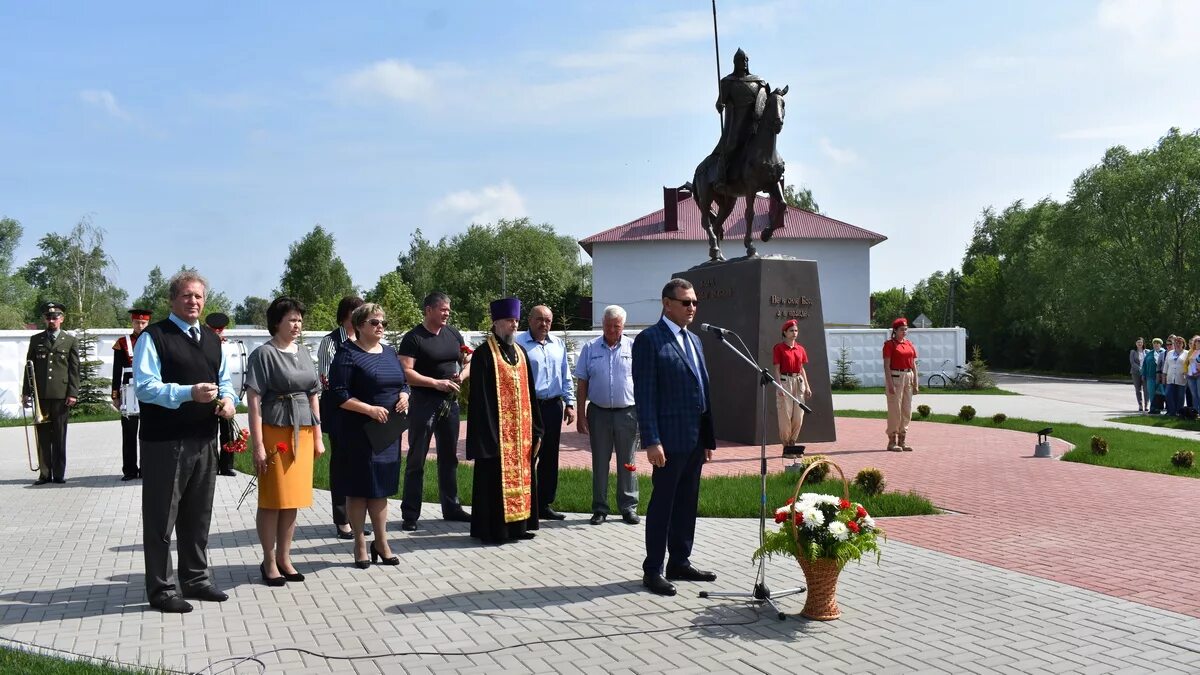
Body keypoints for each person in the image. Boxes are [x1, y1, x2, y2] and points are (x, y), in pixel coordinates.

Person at [133, 270, 236, 613]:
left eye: (199, 296)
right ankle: (161, 590)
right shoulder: (155, 337)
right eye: (187, 296)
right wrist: (188, 393)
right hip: (166, 441)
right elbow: (145, 388)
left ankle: (195, 579)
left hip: (204, 439)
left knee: (197, 515)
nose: (194, 301)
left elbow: (225, 380)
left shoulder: (210, 338)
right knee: (162, 519)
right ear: (173, 300)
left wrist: (229, 400)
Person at [633, 279, 717, 597]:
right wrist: (652, 440)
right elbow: (645, 395)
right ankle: (653, 568)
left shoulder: (694, 341)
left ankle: (679, 562)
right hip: (668, 441)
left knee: (687, 502)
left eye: (695, 302)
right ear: (667, 303)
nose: (692, 307)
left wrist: (708, 439)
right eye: (686, 302)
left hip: (695, 439)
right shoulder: (649, 340)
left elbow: (704, 390)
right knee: (663, 505)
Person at [245, 297, 323, 586]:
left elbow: (313, 393)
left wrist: (318, 436)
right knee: (272, 499)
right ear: (276, 322)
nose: (297, 325)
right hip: (275, 430)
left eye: (299, 320)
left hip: (302, 432)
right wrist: (258, 444)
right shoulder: (263, 355)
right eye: (291, 319)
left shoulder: (303, 352)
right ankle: (268, 559)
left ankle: (285, 557)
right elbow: (254, 401)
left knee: (292, 500)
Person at [327, 303, 410, 568]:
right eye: (374, 322)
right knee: (358, 491)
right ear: (360, 325)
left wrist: (405, 395)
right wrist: (369, 409)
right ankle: (360, 544)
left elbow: (403, 381)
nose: (380, 327)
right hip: (358, 432)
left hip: (386, 432)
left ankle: (382, 542)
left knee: (381, 489)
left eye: (383, 322)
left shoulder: (389, 352)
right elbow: (338, 393)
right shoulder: (346, 353)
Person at [465, 297, 543, 545]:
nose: (514, 325)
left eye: (517, 320)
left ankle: (519, 527)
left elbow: (531, 393)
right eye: (510, 320)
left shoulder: (519, 353)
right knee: (493, 482)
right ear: (496, 322)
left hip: (520, 433)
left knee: (523, 478)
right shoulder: (483, 354)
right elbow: (480, 400)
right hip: (496, 434)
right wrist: (489, 435)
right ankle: (494, 530)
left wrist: (537, 427)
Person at [398, 291, 471, 530]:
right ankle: (410, 514)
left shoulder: (452, 334)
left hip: (450, 405)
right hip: (423, 404)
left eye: (449, 310)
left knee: (449, 457)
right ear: (428, 310)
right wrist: (435, 383)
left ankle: (451, 507)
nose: (447, 313)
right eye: (442, 309)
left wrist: (462, 375)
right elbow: (407, 372)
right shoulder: (413, 338)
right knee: (417, 458)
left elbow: (467, 359)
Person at [574, 305, 639, 526]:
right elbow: (582, 383)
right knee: (600, 462)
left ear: (623, 326)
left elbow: (642, 381)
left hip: (627, 413)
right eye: (608, 325)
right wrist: (581, 415)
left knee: (628, 462)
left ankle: (629, 507)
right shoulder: (590, 348)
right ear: (602, 324)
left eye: (616, 326)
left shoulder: (633, 347)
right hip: (598, 413)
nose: (612, 330)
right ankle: (600, 508)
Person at [516, 305, 576, 520]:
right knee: (528, 456)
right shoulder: (518, 344)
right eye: (539, 319)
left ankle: (544, 503)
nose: (544, 324)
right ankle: (525, 504)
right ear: (530, 320)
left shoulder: (557, 344)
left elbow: (565, 374)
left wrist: (570, 403)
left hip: (553, 406)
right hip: (529, 407)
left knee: (550, 456)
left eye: (548, 320)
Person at [317, 295, 369, 540]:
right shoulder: (330, 342)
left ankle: (357, 518)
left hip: (363, 411)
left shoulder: (364, 340)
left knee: (359, 466)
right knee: (340, 464)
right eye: (357, 310)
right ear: (346, 315)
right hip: (339, 411)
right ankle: (341, 519)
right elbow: (328, 380)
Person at [23, 302, 80, 485]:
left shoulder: (70, 340)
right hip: (41, 396)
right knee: (43, 437)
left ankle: (59, 474)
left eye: (55, 317)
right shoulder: (36, 339)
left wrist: (73, 393)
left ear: (62, 319)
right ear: (44, 319)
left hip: (62, 396)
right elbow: (28, 368)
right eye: (48, 317)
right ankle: (44, 474)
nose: (52, 320)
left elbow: (74, 370)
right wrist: (26, 392)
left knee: (59, 436)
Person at [713, 48, 768, 190]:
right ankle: (720, 177)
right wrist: (720, 105)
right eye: (740, 60)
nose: (743, 63)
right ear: (735, 63)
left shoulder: (758, 82)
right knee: (730, 146)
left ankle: (770, 174)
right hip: (736, 123)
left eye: (745, 60)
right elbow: (720, 102)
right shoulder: (728, 82)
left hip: (754, 124)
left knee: (766, 146)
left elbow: (764, 101)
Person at [111, 308, 151, 481]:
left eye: (143, 323)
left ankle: (147, 468)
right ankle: (129, 470)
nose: (140, 326)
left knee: (148, 432)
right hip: (128, 390)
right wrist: (115, 395)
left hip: (149, 390)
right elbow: (116, 371)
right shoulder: (122, 342)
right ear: (132, 322)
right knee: (129, 432)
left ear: (147, 323)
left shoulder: (154, 340)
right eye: (137, 322)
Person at [206, 312, 239, 477]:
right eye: (215, 331)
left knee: (228, 431)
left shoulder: (226, 346)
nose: (218, 334)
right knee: (210, 431)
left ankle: (227, 465)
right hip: (208, 393)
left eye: (220, 331)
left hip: (226, 393)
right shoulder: (203, 344)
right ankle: (211, 465)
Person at [773, 319, 813, 456]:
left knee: (798, 416)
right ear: (785, 332)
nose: (794, 333)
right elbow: (776, 369)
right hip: (785, 382)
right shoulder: (779, 348)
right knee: (785, 415)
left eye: (796, 330)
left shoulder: (800, 349)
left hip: (799, 383)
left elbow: (802, 369)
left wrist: (807, 386)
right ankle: (786, 446)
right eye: (791, 330)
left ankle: (792, 443)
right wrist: (779, 386)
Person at [883, 317, 919, 452]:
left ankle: (902, 440)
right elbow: (886, 365)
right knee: (895, 410)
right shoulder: (890, 345)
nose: (905, 331)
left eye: (906, 329)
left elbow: (914, 364)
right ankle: (892, 441)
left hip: (908, 376)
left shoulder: (909, 344)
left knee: (906, 410)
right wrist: (890, 384)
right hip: (896, 377)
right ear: (895, 330)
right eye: (902, 329)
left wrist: (916, 382)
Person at [1163, 335, 1187, 416]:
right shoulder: (1170, 353)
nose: (1177, 344)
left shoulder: (1186, 353)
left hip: (1181, 378)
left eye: (1180, 342)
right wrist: (1164, 376)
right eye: (1176, 342)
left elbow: (1189, 365)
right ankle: (1172, 411)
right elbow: (1166, 365)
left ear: (1183, 344)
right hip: (1170, 378)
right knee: (1168, 394)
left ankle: (1179, 412)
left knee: (1180, 396)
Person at [1141, 340, 1161, 416]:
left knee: (1160, 393)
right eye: (1154, 343)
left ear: (1160, 344)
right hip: (1150, 376)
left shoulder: (1163, 352)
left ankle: (1159, 407)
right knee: (1151, 392)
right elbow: (1144, 365)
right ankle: (1153, 408)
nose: (1156, 344)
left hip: (1160, 377)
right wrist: (1143, 374)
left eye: (1158, 343)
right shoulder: (1149, 353)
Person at [1130, 337, 1147, 413]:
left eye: (1141, 342)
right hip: (1135, 372)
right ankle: (1140, 405)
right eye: (1138, 342)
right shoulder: (1133, 352)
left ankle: (1146, 405)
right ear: (1136, 344)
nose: (1139, 344)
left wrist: (1144, 370)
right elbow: (1132, 363)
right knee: (1138, 389)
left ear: (1143, 343)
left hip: (1145, 373)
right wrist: (1140, 369)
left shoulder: (1147, 352)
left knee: (1146, 389)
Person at [1185, 335, 1200, 413]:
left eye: (1199, 341)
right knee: (1194, 395)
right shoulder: (1191, 351)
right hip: (1190, 375)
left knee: (1199, 394)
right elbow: (1186, 362)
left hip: (1198, 375)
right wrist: (1186, 371)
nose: (1198, 342)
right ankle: (1195, 412)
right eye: (1196, 341)